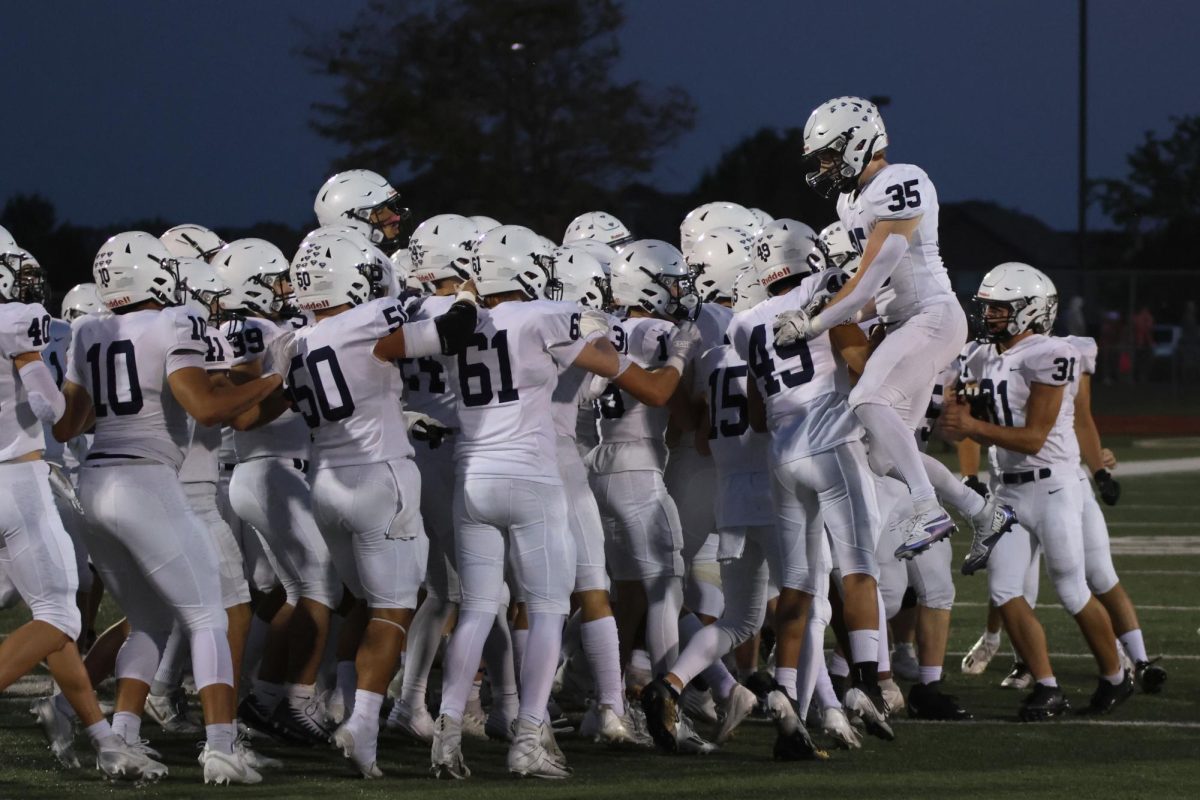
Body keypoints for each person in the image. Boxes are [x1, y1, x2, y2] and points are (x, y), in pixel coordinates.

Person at [53, 231, 283, 784]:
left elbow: (68, 423)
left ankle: (124, 738)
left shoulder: (88, 329)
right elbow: (205, 409)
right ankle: (222, 747)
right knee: (208, 614)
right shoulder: (173, 321)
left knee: (151, 621)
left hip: (94, 481)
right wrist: (273, 376)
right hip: (146, 481)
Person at [281, 229, 478, 778]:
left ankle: (358, 734)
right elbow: (453, 332)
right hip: (379, 477)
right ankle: (363, 719)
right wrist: (465, 293)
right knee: (394, 611)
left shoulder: (296, 340)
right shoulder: (369, 322)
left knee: (366, 605)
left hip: (325, 485)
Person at [1, 231, 167, 782]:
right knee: (57, 614)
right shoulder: (14, 321)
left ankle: (103, 739)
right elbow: (51, 408)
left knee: (53, 615)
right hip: (16, 480)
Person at [777, 96, 969, 558]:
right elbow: (871, 299)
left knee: (867, 397)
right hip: (903, 320)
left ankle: (929, 506)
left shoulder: (901, 181)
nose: (823, 166)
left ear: (856, 143)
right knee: (884, 454)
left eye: (828, 153)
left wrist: (812, 321)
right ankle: (983, 512)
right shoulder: (852, 199)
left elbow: (869, 282)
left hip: (933, 316)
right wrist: (834, 310)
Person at [940, 262, 1133, 721]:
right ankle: (1047, 686)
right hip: (1006, 488)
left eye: (1001, 309)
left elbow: (1034, 438)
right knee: (1005, 590)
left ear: (1031, 312)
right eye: (988, 308)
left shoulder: (1052, 353)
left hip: (1053, 487)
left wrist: (969, 424)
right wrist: (953, 414)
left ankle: (1115, 676)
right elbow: (967, 423)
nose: (989, 316)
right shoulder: (978, 355)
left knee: (1070, 587)